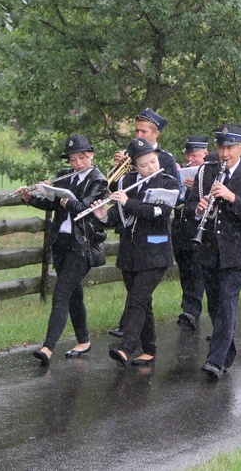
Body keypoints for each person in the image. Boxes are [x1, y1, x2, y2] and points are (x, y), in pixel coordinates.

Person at [185, 124, 241, 380]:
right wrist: (198, 209)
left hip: (238, 252)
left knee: (228, 304)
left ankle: (214, 361)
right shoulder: (206, 171)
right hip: (210, 249)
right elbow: (187, 208)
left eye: (230, 147)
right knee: (215, 306)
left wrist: (232, 198)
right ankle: (227, 352)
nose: (224, 152)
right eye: (221, 147)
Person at [92, 138, 180, 366]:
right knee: (143, 302)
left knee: (136, 300)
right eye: (144, 164)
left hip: (157, 248)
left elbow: (157, 213)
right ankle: (149, 348)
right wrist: (102, 215)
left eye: (153, 161)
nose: (151, 167)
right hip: (130, 252)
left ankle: (126, 348)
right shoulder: (126, 182)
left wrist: (128, 202)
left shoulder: (167, 183)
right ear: (134, 166)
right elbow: (119, 216)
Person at [23, 134, 107, 365]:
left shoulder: (99, 180)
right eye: (73, 159)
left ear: (91, 155)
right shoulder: (64, 175)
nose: (78, 163)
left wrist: (64, 199)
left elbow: (83, 208)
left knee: (61, 293)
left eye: (82, 157)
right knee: (73, 295)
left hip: (83, 245)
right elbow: (51, 204)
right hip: (62, 243)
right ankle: (84, 341)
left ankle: (48, 348)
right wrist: (30, 197)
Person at [108, 107, 178, 337]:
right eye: (136, 130)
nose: (138, 135)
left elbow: (169, 199)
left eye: (144, 131)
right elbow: (112, 188)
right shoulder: (131, 158)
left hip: (156, 234)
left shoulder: (165, 159)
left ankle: (130, 335)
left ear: (155, 133)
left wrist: (134, 204)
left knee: (141, 290)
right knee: (138, 292)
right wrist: (120, 168)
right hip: (132, 231)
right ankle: (142, 339)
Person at [174, 135, 210, 330]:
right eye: (189, 155)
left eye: (195, 155)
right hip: (180, 229)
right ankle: (187, 307)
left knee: (196, 271)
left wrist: (196, 186)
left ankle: (191, 311)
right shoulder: (181, 168)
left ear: (205, 154)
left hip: (199, 230)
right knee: (184, 270)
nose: (191, 159)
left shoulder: (209, 172)